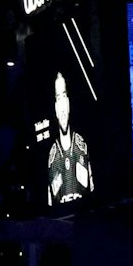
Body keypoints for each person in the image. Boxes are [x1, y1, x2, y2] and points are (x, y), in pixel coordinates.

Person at [47, 70, 93, 205]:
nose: (61, 108)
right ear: (55, 107)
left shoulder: (82, 146)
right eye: (58, 98)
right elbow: (50, 200)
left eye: (64, 96)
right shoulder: (52, 156)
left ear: (69, 103)